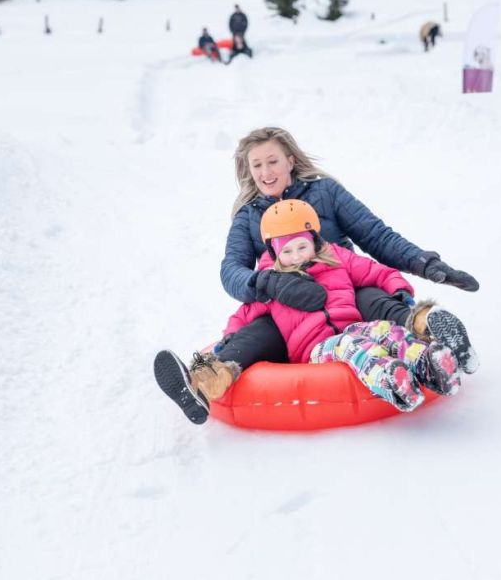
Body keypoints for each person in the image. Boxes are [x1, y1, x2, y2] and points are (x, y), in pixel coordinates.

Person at [154, 126, 479, 423]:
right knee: (255, 335)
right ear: (249, 171)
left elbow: (376, 236)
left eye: (273, 161)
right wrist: (265, 282)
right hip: (287, 300)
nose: (266, 172)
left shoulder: (325, 193)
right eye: (257, 165)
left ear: (290, 161)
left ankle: (431, 334)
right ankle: (203, 381)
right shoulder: (249, 216)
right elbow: (232, 270)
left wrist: (425, 263)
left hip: (344, 285)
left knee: (379, 303)